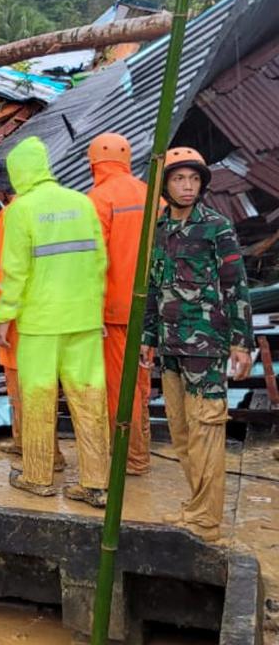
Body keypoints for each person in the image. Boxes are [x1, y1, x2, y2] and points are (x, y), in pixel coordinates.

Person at [0, 136, 111, 508]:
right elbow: (99, 264)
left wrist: (2, 317)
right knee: (90, 399)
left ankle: (38, 477)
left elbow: (15, 272)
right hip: (84, 320)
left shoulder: (19, 211)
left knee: (39, 399)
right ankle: (95, 484)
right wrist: (96, 311)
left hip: (40, 324)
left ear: (18, 172)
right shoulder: (82, 203)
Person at [142, 147, 253, 542]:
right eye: (179, 180)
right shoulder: (158, 229)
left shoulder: (216, 227)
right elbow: (154, 287)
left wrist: (242, 342)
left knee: (206, 429)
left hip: (206, 347)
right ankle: (196, 506)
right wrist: (148, 338)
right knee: (182, 431)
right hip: (171, 349)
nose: (187, 187)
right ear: (166, 186)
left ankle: (207, 520)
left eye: (193, 180)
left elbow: (235, 285)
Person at [0, 161, 65, 470]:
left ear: (2, 190)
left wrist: (2, 320)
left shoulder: (12, 216)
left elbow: (11, 273)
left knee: (27, 389)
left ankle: (44, 458)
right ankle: (25, 443)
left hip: (22, 320)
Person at [87, 133, 154, 476]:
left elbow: (93, 263)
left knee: (118, 388)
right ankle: (141, 452)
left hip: (113, 312)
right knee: (141, 383)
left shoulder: (97, 199)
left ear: (93, 162)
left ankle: (132, 459)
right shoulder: (151, 194)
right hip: (149, 312)